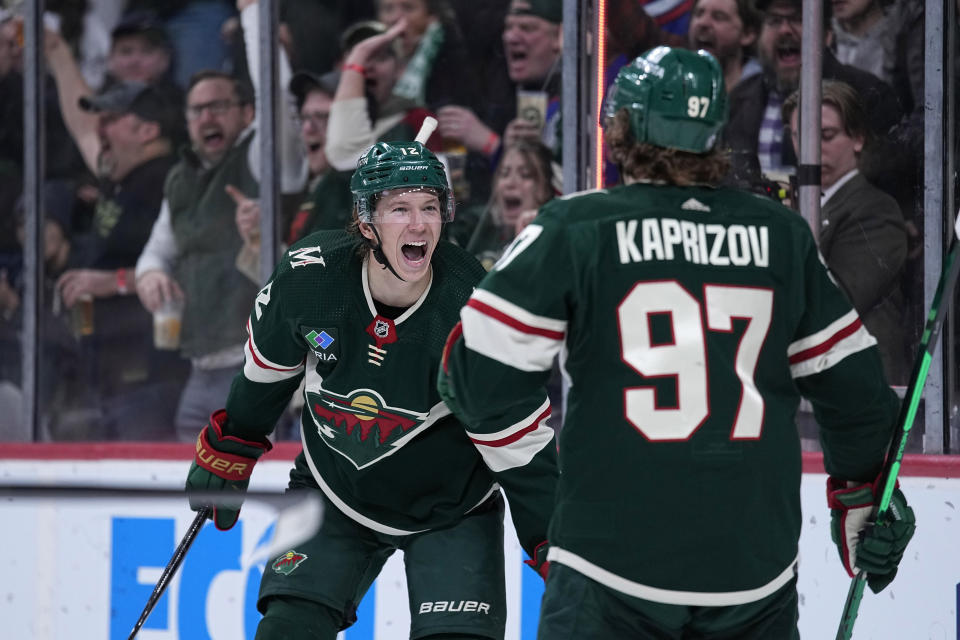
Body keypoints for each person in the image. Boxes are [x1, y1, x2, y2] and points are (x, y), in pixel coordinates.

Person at [439, 46, 916, 638]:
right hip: (752, 571)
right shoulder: (781, 235)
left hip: (610, 563)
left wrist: (542, 486)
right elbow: (854, 389)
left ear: (620, 129)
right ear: (714, 134)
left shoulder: (577, 227)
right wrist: (865, 497)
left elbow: (475, 378)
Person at [184, 138, 557, 639]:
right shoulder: (308, 280)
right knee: (286, 630)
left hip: (452, 507)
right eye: (399, 208)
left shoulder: (472, 311)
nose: (419, 224)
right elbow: (266, 377)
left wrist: (554, 542)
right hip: (333, 491)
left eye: (430, 207)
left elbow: (521, 448)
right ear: (366, 222)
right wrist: (235, 444)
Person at [135, 0, 307, 442]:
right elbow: (158, 248)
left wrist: (254, 18)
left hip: (255, 364)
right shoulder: (182, 177)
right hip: (199, 369)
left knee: (250, 488)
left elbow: (277, 100)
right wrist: (151, 274)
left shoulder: (258, 156)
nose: (206, 117)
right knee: (194, 498)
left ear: (246, 114)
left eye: (218, 106)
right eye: (196, 110)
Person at [783, 80, 909, 384]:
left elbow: (835, 302)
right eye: (801, 137)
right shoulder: (801, 205)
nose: (812, 150)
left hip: (865, 386)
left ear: (858, 138)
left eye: (826, 136)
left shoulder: (876, 210)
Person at [722, 0, 902, 186]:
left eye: (799, 19)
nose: (785, 30)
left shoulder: (868, 96)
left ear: (827, 36)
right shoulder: (738, 99)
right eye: (774, 20)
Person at [455, 139, 556, 270]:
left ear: (546, 190)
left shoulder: (553, 247)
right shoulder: (475, 232)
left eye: (525, 175)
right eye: (504, 173)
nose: (510, 183)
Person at [688, 0, 762, 92]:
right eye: (699, 14)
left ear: (747, 34)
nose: (703, 23)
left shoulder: (764, 92)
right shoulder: (672, 81)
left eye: (718, 17)